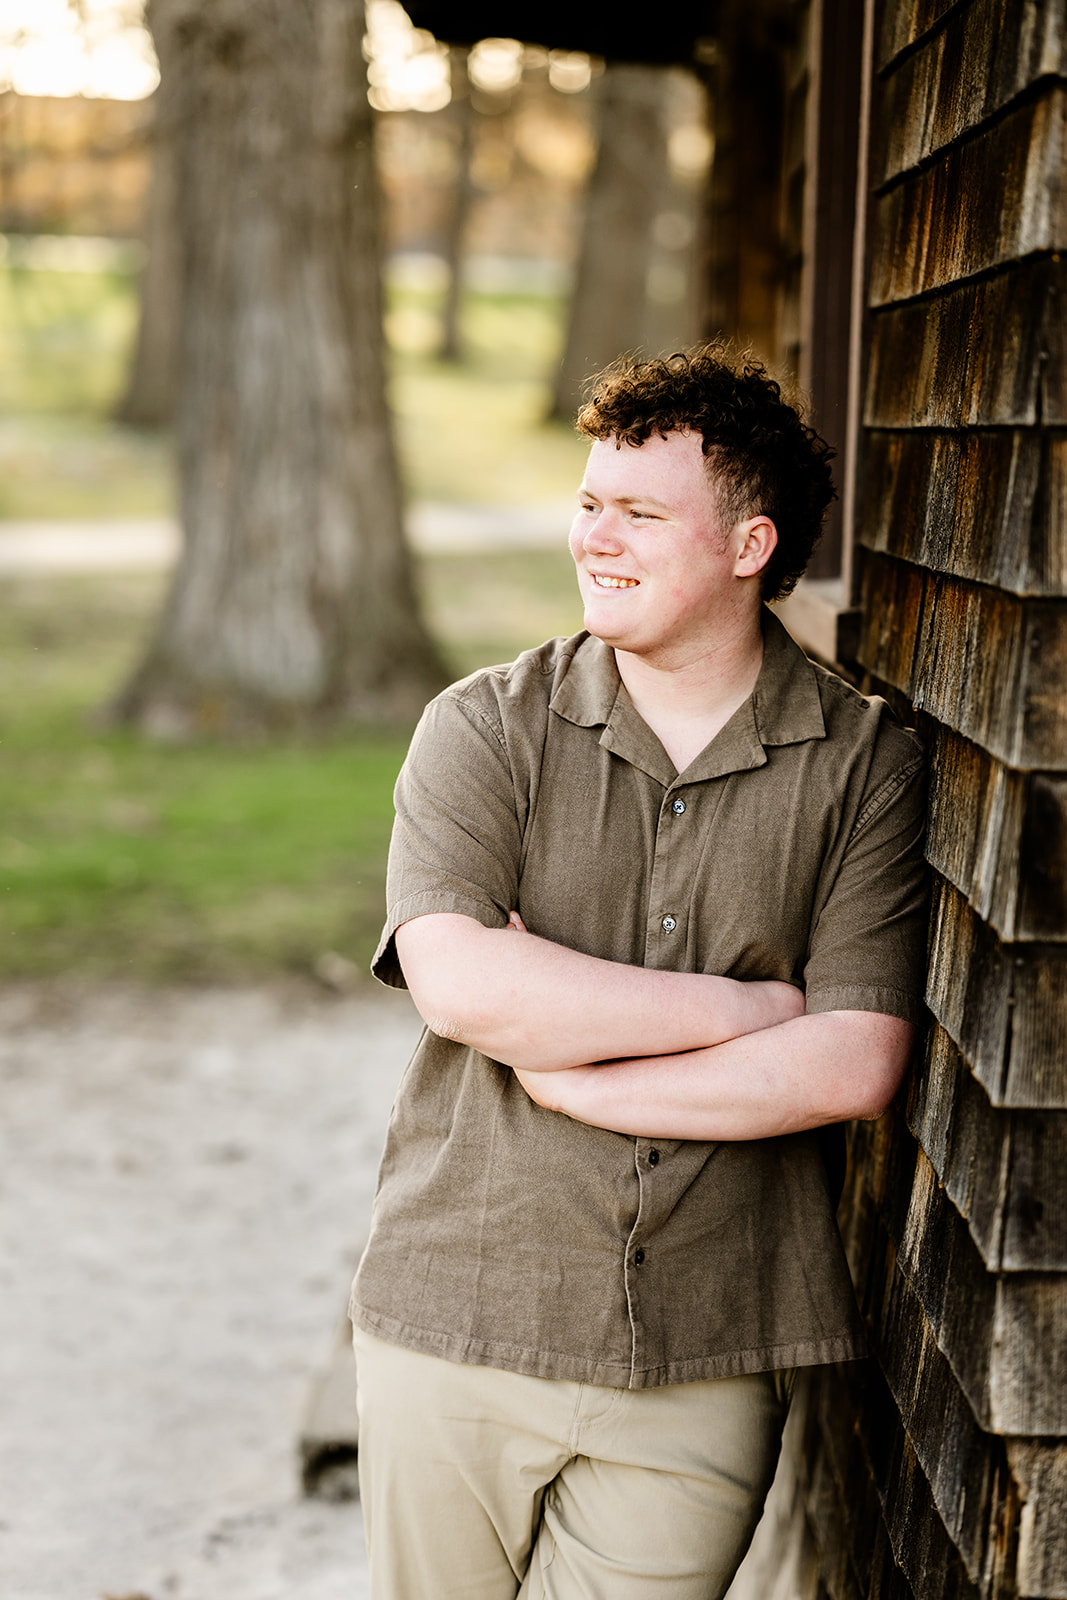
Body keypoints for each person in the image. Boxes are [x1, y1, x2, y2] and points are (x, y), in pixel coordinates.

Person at [350, 345, 927, 1600]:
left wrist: (582, 1079)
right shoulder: (481, 727)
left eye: (639, 512)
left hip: (708, 1348)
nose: (593, 538)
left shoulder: (861, 764)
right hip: (463, 1318)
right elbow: (461, 985)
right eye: (587, 501)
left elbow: (851, 1058)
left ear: (747, 544)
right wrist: (743, 1012)